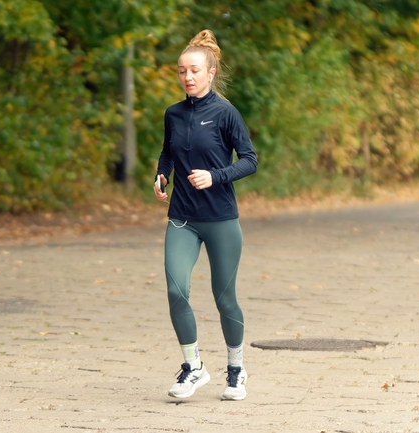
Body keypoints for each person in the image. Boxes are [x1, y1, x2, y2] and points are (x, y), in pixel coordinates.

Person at [153, 29, 257, 401]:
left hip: (220, 219)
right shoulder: (174, 114)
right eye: (182, 71)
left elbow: (250, 161)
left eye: (195, 70)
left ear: (210, 72)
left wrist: (216, 176)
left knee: (224, 297)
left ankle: (236, 367)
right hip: (182, 216)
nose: (188, 77)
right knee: (175, 289)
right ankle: (193, 367)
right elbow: (169, 152)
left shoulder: (225, 113)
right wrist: (161, 173)